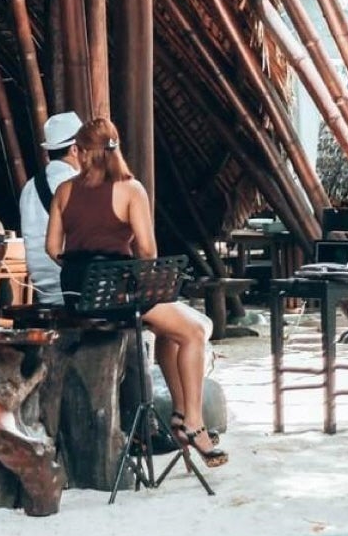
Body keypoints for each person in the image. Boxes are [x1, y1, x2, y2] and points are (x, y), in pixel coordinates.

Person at [46, 119, 227, 468]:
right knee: (192, 332)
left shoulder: (64, 191)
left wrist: (85, 265)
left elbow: (53, 247)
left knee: (170, 328)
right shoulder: (131, 190)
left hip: (78, 295)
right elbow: (146, 250)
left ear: (82, 152)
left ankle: (178, 414)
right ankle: (193, 421)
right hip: (118, 292)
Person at [19, 110, 82, 306]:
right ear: (74, 149)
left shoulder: (29, 187)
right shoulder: (76, 184)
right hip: (76, 289)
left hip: (44, 290)